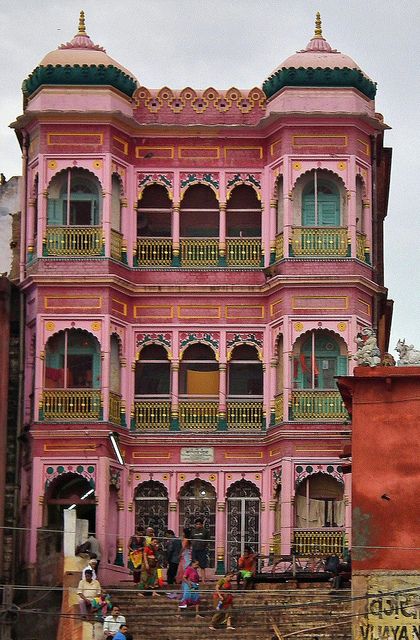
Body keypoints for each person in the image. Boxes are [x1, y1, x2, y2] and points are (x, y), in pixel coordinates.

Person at [190, 518, 210, 583]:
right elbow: (190, 539)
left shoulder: (205, 531)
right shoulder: (193, 531)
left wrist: (204, 545)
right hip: (194, 550)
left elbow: (208, 540)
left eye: (199, 524)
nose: (198, 525)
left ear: (202, 525)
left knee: (202, 566)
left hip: (202, 550)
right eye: (197, 524)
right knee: (194, 565)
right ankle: (194, 579)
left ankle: (203, 580)